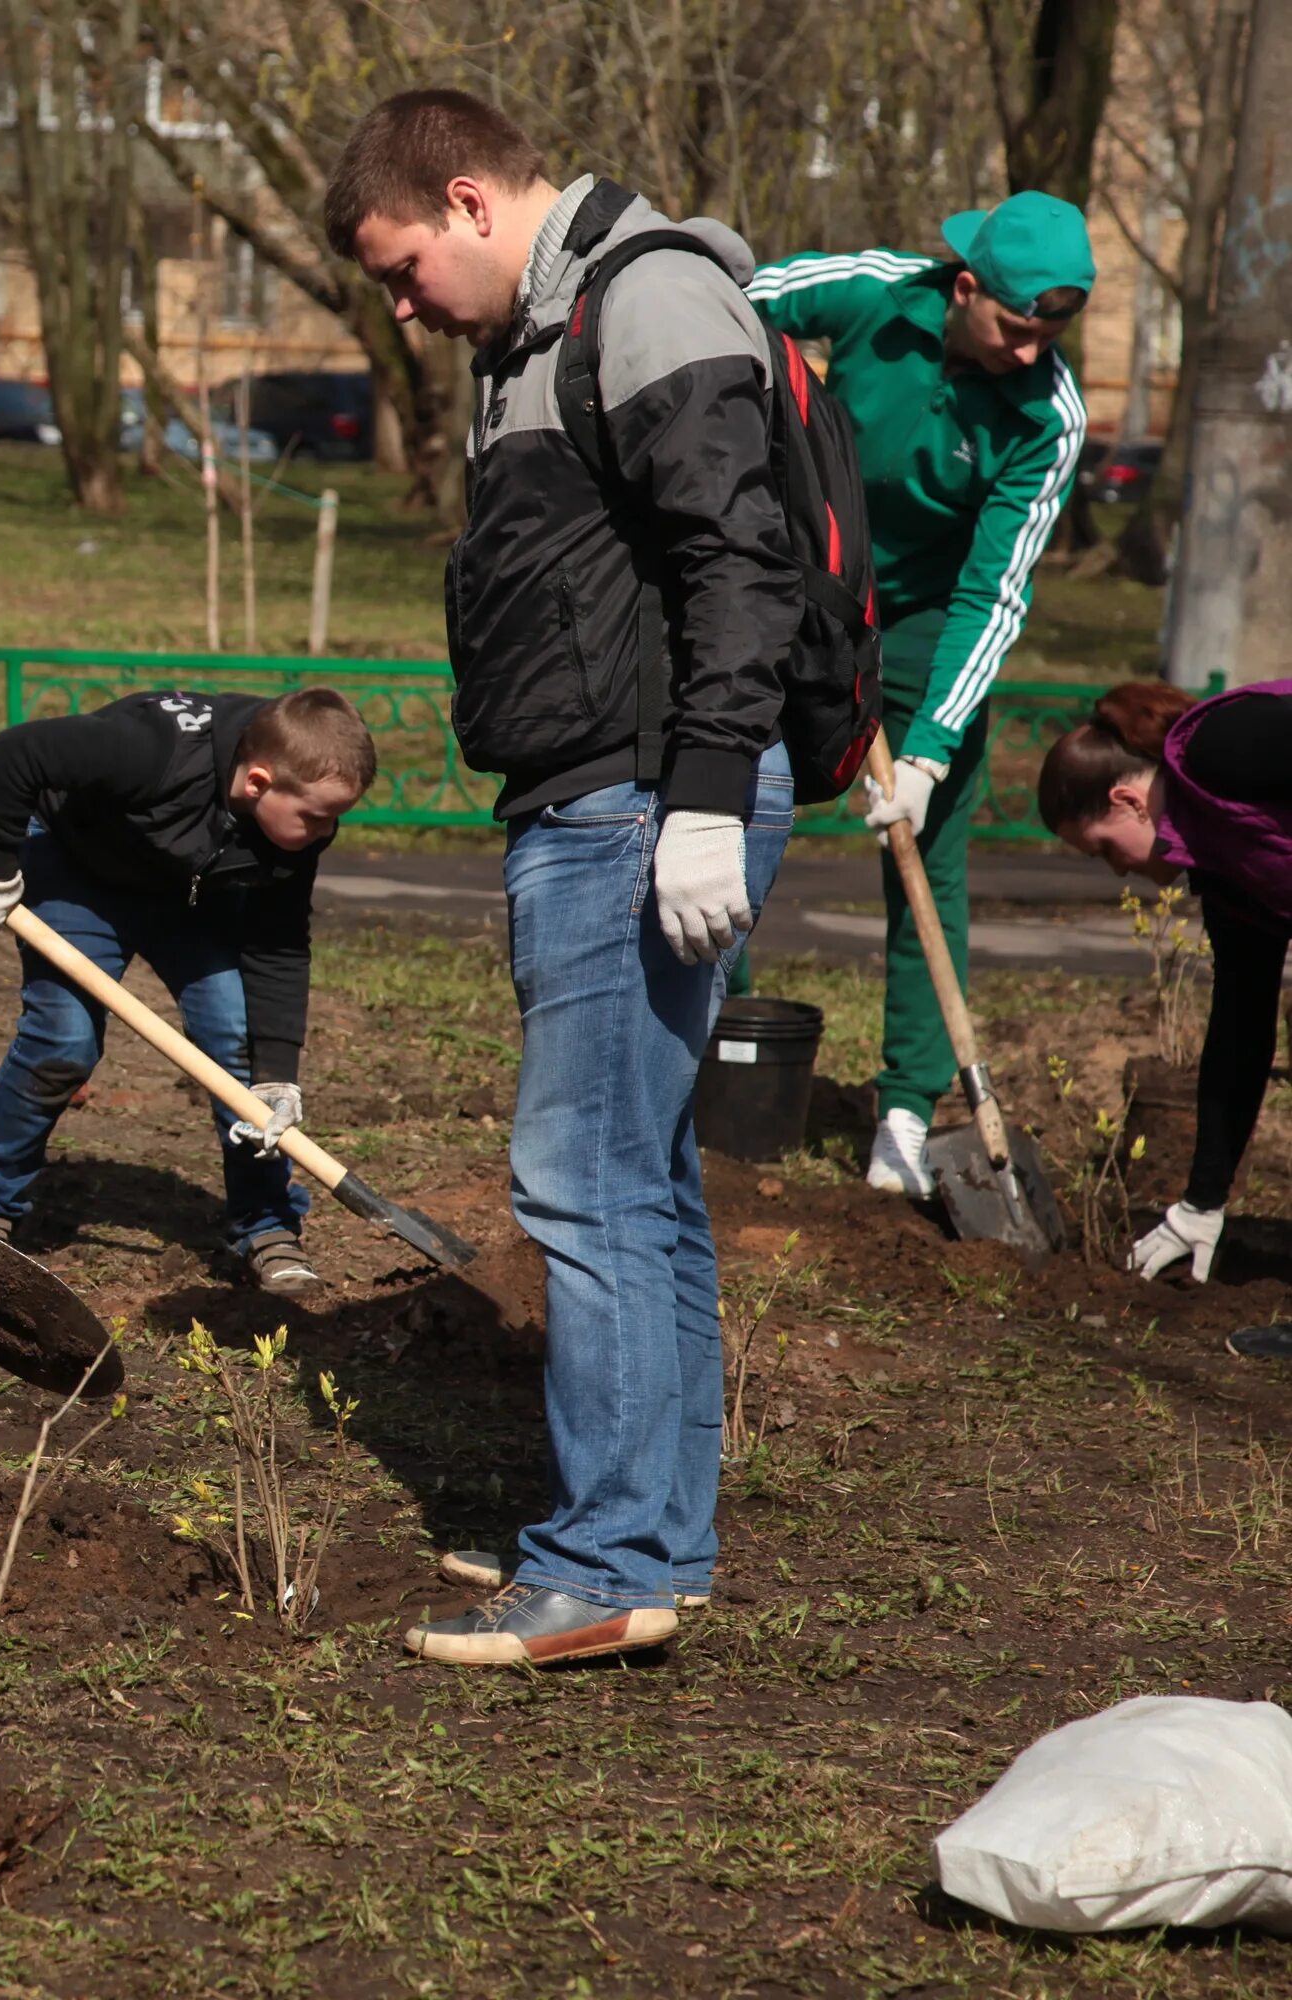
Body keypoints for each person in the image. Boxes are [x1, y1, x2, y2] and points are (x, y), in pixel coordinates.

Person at [327, 89, 800, 1666]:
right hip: (607, 793)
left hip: (642, 802)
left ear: (469, 201)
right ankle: (655, 1541)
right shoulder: (531, 340)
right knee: (644, 1183)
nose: (401, 306)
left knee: (582, 1183)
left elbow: (738, 551)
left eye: (402, 268)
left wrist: (711, 796)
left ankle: (601, 1567)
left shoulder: (645, 296)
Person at [747, 194, 1093, 1197]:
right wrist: (767, 398)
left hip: (922, 625)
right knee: (724, 796)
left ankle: (904, 1107)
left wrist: (933, 746)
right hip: (794, 581)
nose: (1032, 354)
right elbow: (733, 298)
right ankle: (703, 1041)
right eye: (1017, 328)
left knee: (923, 857)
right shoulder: (875, 291)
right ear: (966, 287)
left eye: (1051, 335)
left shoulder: (1046, 416)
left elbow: (995, 592)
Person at [0, 687, 375, 1293]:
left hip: (187, 893)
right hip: (77, 872)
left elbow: (277, 944)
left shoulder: (295, 828)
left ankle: (267, 1225)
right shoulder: (153, 750)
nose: (327, 830)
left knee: (237, 1042)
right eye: (317, 815)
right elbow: (20, 751)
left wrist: (278, 1073)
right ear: (256, 782)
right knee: (61, 1042)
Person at [1043, 680, 1292, 1297]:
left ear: (1128, 799)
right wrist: (1201, 1202)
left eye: (1105, 849)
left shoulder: (1219, 748)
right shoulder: (1226, 871)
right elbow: (1240, 1029)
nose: (1119, 870)